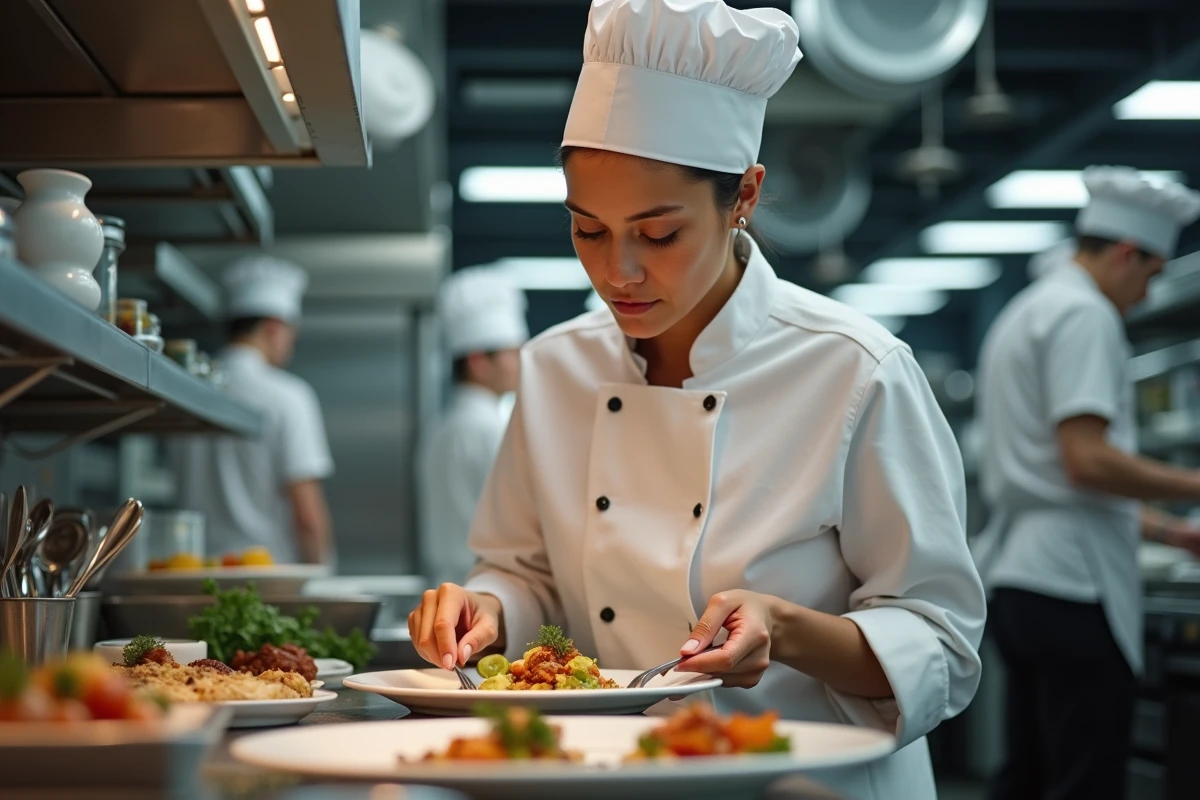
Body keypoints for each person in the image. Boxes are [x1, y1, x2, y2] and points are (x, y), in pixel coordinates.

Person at [408, 2, 985, 797]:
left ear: (743, 196)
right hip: (611, 775)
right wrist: (486, 606)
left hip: (808, 782)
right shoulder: (553, 369)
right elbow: (524, 570)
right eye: (588, 230)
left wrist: (783, 630)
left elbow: (941, 643)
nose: (618, 273)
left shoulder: (854, 369)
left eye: (659, 234)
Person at [974, 166, 1200, 800]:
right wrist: (1193, 484)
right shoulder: (1084, 316)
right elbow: (1087, 462)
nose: (1147, 296)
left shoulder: (1030, 309)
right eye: (1151, 276)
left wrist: (1166, 530)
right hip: (1071, 583)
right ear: (1128, 254)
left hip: (1024, 578)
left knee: (1032, 770)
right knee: (1084, 779)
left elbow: (1056, 479)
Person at [171, 256, 334, 565]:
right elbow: (308, 517)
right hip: (265, 577)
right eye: (291, 333)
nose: (291, 345)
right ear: (273, 328)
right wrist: (321, 576)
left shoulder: (186, 389)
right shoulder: (289, 397)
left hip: (196, 575)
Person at [417, 266, 528, 587]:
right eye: (512, 353)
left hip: (452, 587)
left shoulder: (443, 427)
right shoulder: (489, 430)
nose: (521, 363)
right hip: (485, 593)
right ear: (479, 362)